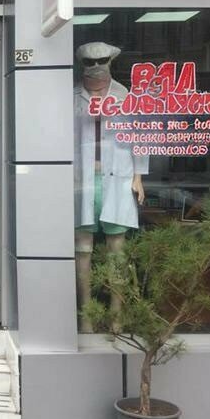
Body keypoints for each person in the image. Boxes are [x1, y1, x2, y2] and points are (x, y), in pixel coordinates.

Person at [73, 42, 148, 332]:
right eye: (88, 62)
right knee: (83, 249)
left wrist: (138, 176)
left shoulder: (124, 96)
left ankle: (117, 315)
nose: (95, 67)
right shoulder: (71, 97)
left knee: (117, 249)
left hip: (118, 179)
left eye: (101, 60)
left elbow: (139, 136)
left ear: (111, 61)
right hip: (81, 182)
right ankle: (86, 315)